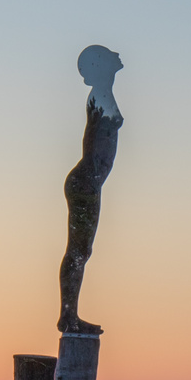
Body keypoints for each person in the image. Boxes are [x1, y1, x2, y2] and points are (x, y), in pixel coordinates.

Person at [57, 44, 123, 335]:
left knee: (82, 250)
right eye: (109, 55)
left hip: (89, 182)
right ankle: (68, 315)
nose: (118, 56)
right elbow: (94, 144)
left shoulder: (102, 96)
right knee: (78, 251)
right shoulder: (101, 97)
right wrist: (94, 180)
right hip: (86, 182)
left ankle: (69, 314)